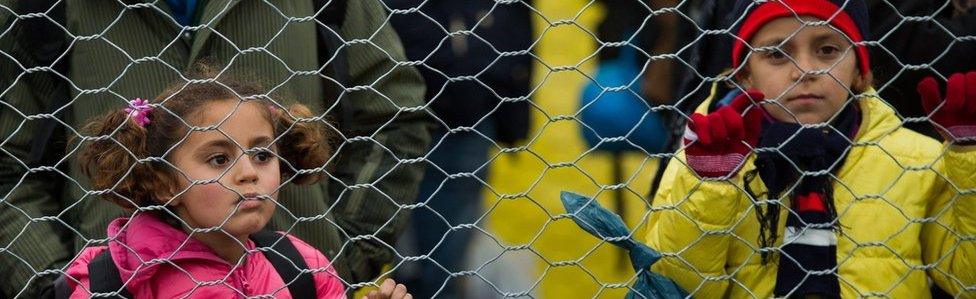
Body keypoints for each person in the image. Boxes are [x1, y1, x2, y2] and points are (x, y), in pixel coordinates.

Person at [0, 1, 432, 296]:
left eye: (263, 153)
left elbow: (393, 116)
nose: (247, 172)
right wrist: (49, 281)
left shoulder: (306, 266)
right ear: (160, 178)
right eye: (219, 158)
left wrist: (348, 252)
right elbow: (6, 162)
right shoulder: (109, 280)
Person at [643, 0, 976, 297]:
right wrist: (710, 187)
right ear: (745, 75)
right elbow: (677, 286)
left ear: (861, 72)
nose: (805, 70)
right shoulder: (704, 162)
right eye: (777, 53)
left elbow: (966, 280)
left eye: (827, 50)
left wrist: (970, 160)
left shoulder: (917, 161)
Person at [383, 1, 533, 297]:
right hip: (387, 119)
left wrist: (510, 107)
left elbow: (514, 21)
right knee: (409, 265)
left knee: (443, 269)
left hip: (462, 117)